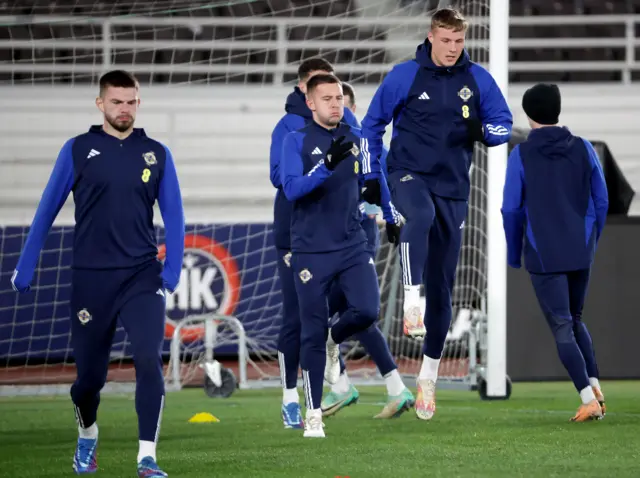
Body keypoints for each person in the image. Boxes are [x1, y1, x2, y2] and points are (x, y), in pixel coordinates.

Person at [11, 70, 185, 477]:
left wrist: (171, 274)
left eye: (131, 102)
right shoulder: (77, 149)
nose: (124, 109)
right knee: (89, 380)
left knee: (147, 357)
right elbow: (45, 210)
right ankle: (87, 432)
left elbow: (175, 217)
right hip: (91, 280)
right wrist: (26, 262)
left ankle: (147, 457)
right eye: (117, 102)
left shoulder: (156, 153)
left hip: (142, 276)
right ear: (100, 104)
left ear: (138, 103)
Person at [360, 7, 513, 420]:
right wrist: (370, 176)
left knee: (444, 286)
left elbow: (502, 123)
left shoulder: (477, 79)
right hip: (407, 174)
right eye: (446, 41)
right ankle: (412, 301)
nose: (452, 48)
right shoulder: (404, 75)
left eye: (459, 42)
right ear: (431, 37)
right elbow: (370, 126)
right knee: (420, 218)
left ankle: (427, 378)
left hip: (454, 189)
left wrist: (484, 131)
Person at [269, 59, 407, 427]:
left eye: (339, 98)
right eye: (327, 98)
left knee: (366, 311)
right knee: (308, 331)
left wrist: (389, 213)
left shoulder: (358, 136)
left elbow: (374, 181)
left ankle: (335, 339)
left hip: (351, 245)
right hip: (311, 250)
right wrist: (326, 166)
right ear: (310, 103)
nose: (335, 104)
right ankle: (312, 414)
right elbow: (291, 188)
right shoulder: (294, 139)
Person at [502, 83, 607, 422]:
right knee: (575, 320)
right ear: (557, 110)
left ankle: (587, 398)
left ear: (529, 114)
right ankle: (595, 387)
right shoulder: (584, 148)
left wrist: (514, 252)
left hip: (543, 252)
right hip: (580, 249)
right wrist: (591, 240)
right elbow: (601, 199)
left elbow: (510, 210)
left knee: (562, 325)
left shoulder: (520, 154)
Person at [321, 82, 413, 419]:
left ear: (352, 108)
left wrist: (382, 214)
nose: (338, 110)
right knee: (360, 317)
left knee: (336, 313)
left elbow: (384, 185)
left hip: (357, 239)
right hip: (342, 239)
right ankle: (392, 387)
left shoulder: (365, 145)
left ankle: (342, 385)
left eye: (342, 104)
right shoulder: (337, 143)